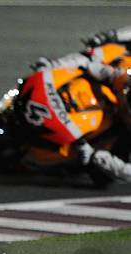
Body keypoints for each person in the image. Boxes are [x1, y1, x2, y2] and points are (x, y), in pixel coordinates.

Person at [32, 26, 131, 181]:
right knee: (99, 53)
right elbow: (89, 58)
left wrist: (97, 157)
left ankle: (68, 161)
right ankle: (50, 70)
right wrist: (111, 36)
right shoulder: (124, 66)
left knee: (101, 175)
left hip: (119, 131)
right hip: (113, 86)